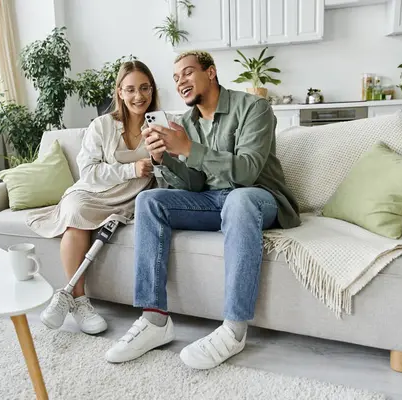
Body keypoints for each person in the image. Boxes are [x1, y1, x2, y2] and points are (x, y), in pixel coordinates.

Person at [105, 51, 301, 369]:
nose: (181, 81)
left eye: (187, 73)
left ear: (211, 73)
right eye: (175, 78)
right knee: (149, 201)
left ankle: (234, 330)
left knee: (239, 199)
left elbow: (249, 171)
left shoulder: (255, 107)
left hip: (259, 199)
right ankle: (154, 321)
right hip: (213, 200)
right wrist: (163, 159)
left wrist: (189, 149)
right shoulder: (186, 124)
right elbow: (194, 184)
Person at [27, 60, 162, 335]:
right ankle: (78, 300)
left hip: (131, 199)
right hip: (92, 193)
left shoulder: (160, 125)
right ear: (120, 92)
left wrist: (161, 161)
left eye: (145, 88)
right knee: (76, 211)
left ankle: (72, 298)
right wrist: (131, 169)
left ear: (153, 90)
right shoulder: (102, 125)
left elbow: (171, 174)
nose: (139, 96)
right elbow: (87, 172)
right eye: (131, 89)